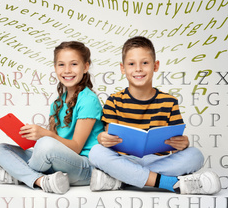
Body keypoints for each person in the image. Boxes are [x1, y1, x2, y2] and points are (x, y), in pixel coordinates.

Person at [88, 36, 221, 195]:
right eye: (131, 64)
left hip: (158, 160)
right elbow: (111, 139)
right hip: (125, 160)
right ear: (123, 68)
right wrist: (104, 138)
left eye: (145, 63)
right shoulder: (114, 101)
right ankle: (171, 183)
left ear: (155, 66)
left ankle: (121, 179)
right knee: (96, 152)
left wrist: (182, 144)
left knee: (195, 155)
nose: (138, 69)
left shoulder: (169, 102)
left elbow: (175, 144)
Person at [0, 41, 104, 194]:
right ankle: (40, 180)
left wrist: (45, 135)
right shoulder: (57, 103)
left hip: (84, 166)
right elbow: (55, 146)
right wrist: (31, 135)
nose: (67, 70)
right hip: (58, 161)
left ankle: (19, 175)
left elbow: (75, 147)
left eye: (74, 64)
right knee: (1, 149)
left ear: (86, 67)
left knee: (45, 145)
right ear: (55, 68)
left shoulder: (88, 100)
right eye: (61, 65)